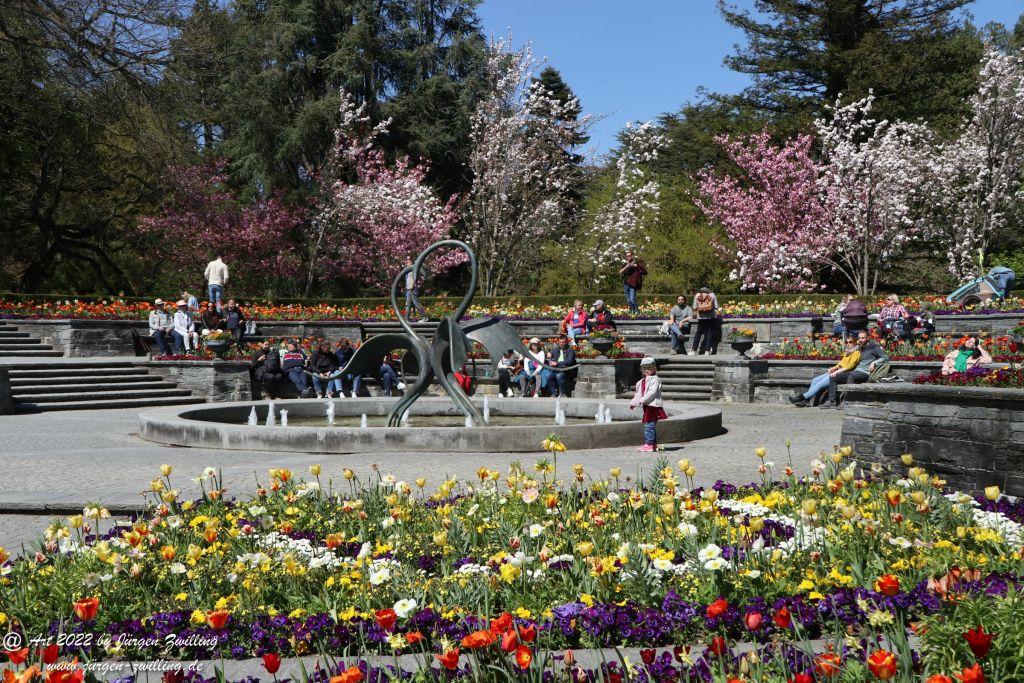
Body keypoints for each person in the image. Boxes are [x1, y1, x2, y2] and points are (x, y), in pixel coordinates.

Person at [788, 337, 861, 407]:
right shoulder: (848, 352)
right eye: (846, 342)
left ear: (855, 342)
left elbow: (850, 366)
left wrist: (837, 371)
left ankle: (801, 398)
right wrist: (833, 368)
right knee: (815, 380)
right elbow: (840, 363)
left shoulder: (856, 352)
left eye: (850, 342)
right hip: (837, 371)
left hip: (843, 373)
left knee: (820, 384)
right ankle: (807, 400)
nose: (848, 344)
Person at [826, 330, 890, 406]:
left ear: (868, 338)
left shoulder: (874, 347)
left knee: (851, 377)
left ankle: (847, 401)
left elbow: (885, 357)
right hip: (856, 371)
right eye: (859, 338)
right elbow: (849, 351)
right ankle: (832, 402)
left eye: (863, 338)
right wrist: (847, 351)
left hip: (865, 373)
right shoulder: (859, 347)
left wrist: (874, 362)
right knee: (833, 376)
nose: (861, 340)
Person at [629, 357, 667, 452]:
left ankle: (649, 444)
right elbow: (638, 394)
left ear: (654, 368)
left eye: (649, 367)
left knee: (649, 425)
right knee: (650, 425)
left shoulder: (655, 380)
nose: (647, 370)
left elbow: (652, 392)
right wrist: (633, 402)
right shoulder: (641, 381)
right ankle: (653, 444)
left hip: (653, 406)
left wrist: (643, 399)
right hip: (647, 406)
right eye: (644, 368)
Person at [619, 250, 647, 315]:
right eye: (627, 256)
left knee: (632, 300)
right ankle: (632, 311)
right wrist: (627, 266)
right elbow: (620, 272)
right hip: (626, 285)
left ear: (632, 256)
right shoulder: (625, 264)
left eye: (629, 256)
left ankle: (636, 310)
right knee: (629, 301)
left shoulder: (637, 264)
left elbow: (645, 272)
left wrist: (636, 266)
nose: (628, 257)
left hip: (633, 285)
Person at [692, 287, 719, 355]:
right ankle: (707, 350)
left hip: (700, 317)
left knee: (698, 333)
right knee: (709, 333)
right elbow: (716, 307)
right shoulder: (712, 295)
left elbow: (694, 307)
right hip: (710, 317)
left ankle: (694, 350)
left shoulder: (697, 295)